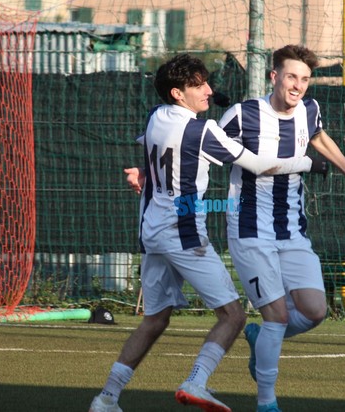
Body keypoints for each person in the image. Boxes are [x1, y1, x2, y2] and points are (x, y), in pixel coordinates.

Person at [89, 54, 323, 412]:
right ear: (177, 93)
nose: (209, 90)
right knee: (234, 316)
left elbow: (157, 152)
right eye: (199, 85)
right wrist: (310, 162)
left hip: (151, 231)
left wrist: (144, 175)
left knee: (155, 320)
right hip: (182, 232)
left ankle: (106, 398)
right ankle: (196, 381)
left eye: (206, 82)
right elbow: (259, 164)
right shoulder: (202, 131)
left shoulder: (156, 116)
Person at [217, 44, 345, 412]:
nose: (298, 85)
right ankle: (267, 403)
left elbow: (318, 136)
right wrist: (148, 173)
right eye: (291, 76)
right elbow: (202, 146)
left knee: (315, 310)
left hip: (292, 231)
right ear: (274, 76)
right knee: (278, 316)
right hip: (251, 230)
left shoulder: (310, 110)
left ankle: (258, 336)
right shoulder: (242, 114)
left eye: (304, 79)